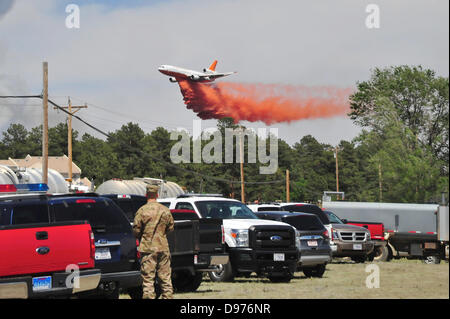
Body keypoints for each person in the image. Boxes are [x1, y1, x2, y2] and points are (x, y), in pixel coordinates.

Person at [133, 184, 174, 299]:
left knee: (148, 280)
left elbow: (136, 230)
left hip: (148, 248)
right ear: (157, 194)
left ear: (146, 194)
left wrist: (143, 236)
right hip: (163, 247)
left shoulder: (142, 211)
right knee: (165, 278)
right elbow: (171, 228)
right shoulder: (165, 210)